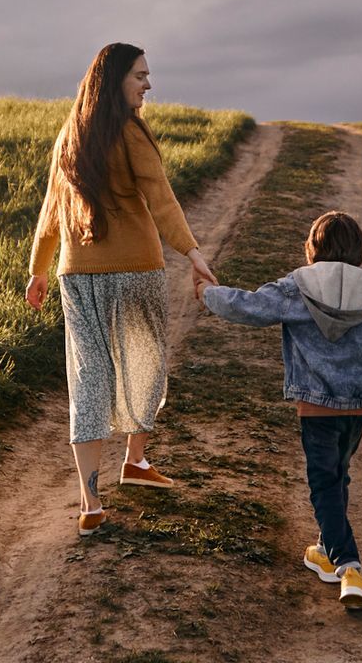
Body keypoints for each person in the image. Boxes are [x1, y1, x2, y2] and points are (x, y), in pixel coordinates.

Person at [25, 42, 219, 537]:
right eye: (140, 76)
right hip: (134, 270)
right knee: (144, 364)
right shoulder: (129, 131)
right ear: (115, 81)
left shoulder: (69, 135)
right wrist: (193, 254)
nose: (148, 84)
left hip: (77, 275)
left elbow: (51, 209)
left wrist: (39, 269)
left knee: (88, 378)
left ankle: (91, 500)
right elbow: (161, 198)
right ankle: (134, 460)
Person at [201, 210, 362, 612]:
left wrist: (209, 294)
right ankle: (324, 548)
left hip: (316, 405)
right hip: (359, 405)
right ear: (359, 250)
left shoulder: (298, 286)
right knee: (338, 474)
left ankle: (350, 567)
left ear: (312, 248)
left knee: (324, 483)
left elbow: (250, 307)